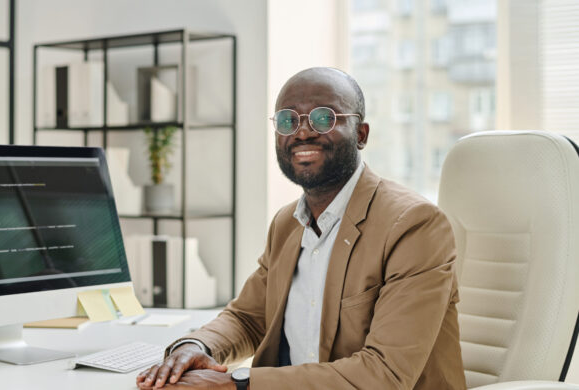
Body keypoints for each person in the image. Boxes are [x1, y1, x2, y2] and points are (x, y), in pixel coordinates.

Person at [136, 67, 466, 389]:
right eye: (287, 121)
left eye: (324, 118)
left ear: (361, 134)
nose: (303, 132)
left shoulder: (414, 225)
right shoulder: (286, 224)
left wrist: (234, 384)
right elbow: (248, 317)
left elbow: (385, 375)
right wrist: (194, 348)